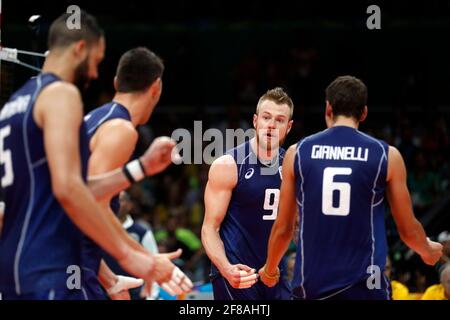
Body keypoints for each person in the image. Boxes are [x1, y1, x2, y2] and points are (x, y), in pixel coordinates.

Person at [0, 11, 190, 300]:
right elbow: (76, 195)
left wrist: (140, 168)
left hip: (17, 266)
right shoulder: (64, 97)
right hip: (55, 267)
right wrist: (133, 256)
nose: (93, 73)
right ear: (80, 50)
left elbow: (67, 194)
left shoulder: (16, 104)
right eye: (96, 61)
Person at [259, 75, 443, 300]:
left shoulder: (296, 153)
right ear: (364, 112)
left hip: (312, 284)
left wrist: (270, 269)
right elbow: (407, 230)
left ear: (328, 108)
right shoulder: (387, 155)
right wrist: (427, 250)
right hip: (366, 285)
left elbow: (284, 226)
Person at [82, 47, 185, 299]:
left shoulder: (93, 118)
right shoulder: (121, 129)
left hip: (69, 259)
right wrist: (145, 259)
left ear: (117, 82)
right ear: (156, 87)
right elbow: (90, 206)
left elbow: (75, 217)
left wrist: (111, 280)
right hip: (60, 266)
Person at [202, 87, 293, 300]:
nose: (271, 125)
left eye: (279, 120)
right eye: (266, 117)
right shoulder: (229, 165)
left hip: (274, 272)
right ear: (255, 121)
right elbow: (209, 228)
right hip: (236, 274)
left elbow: (295, 225)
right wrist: (225, 268)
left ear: (288, 127)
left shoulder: (292, 166)